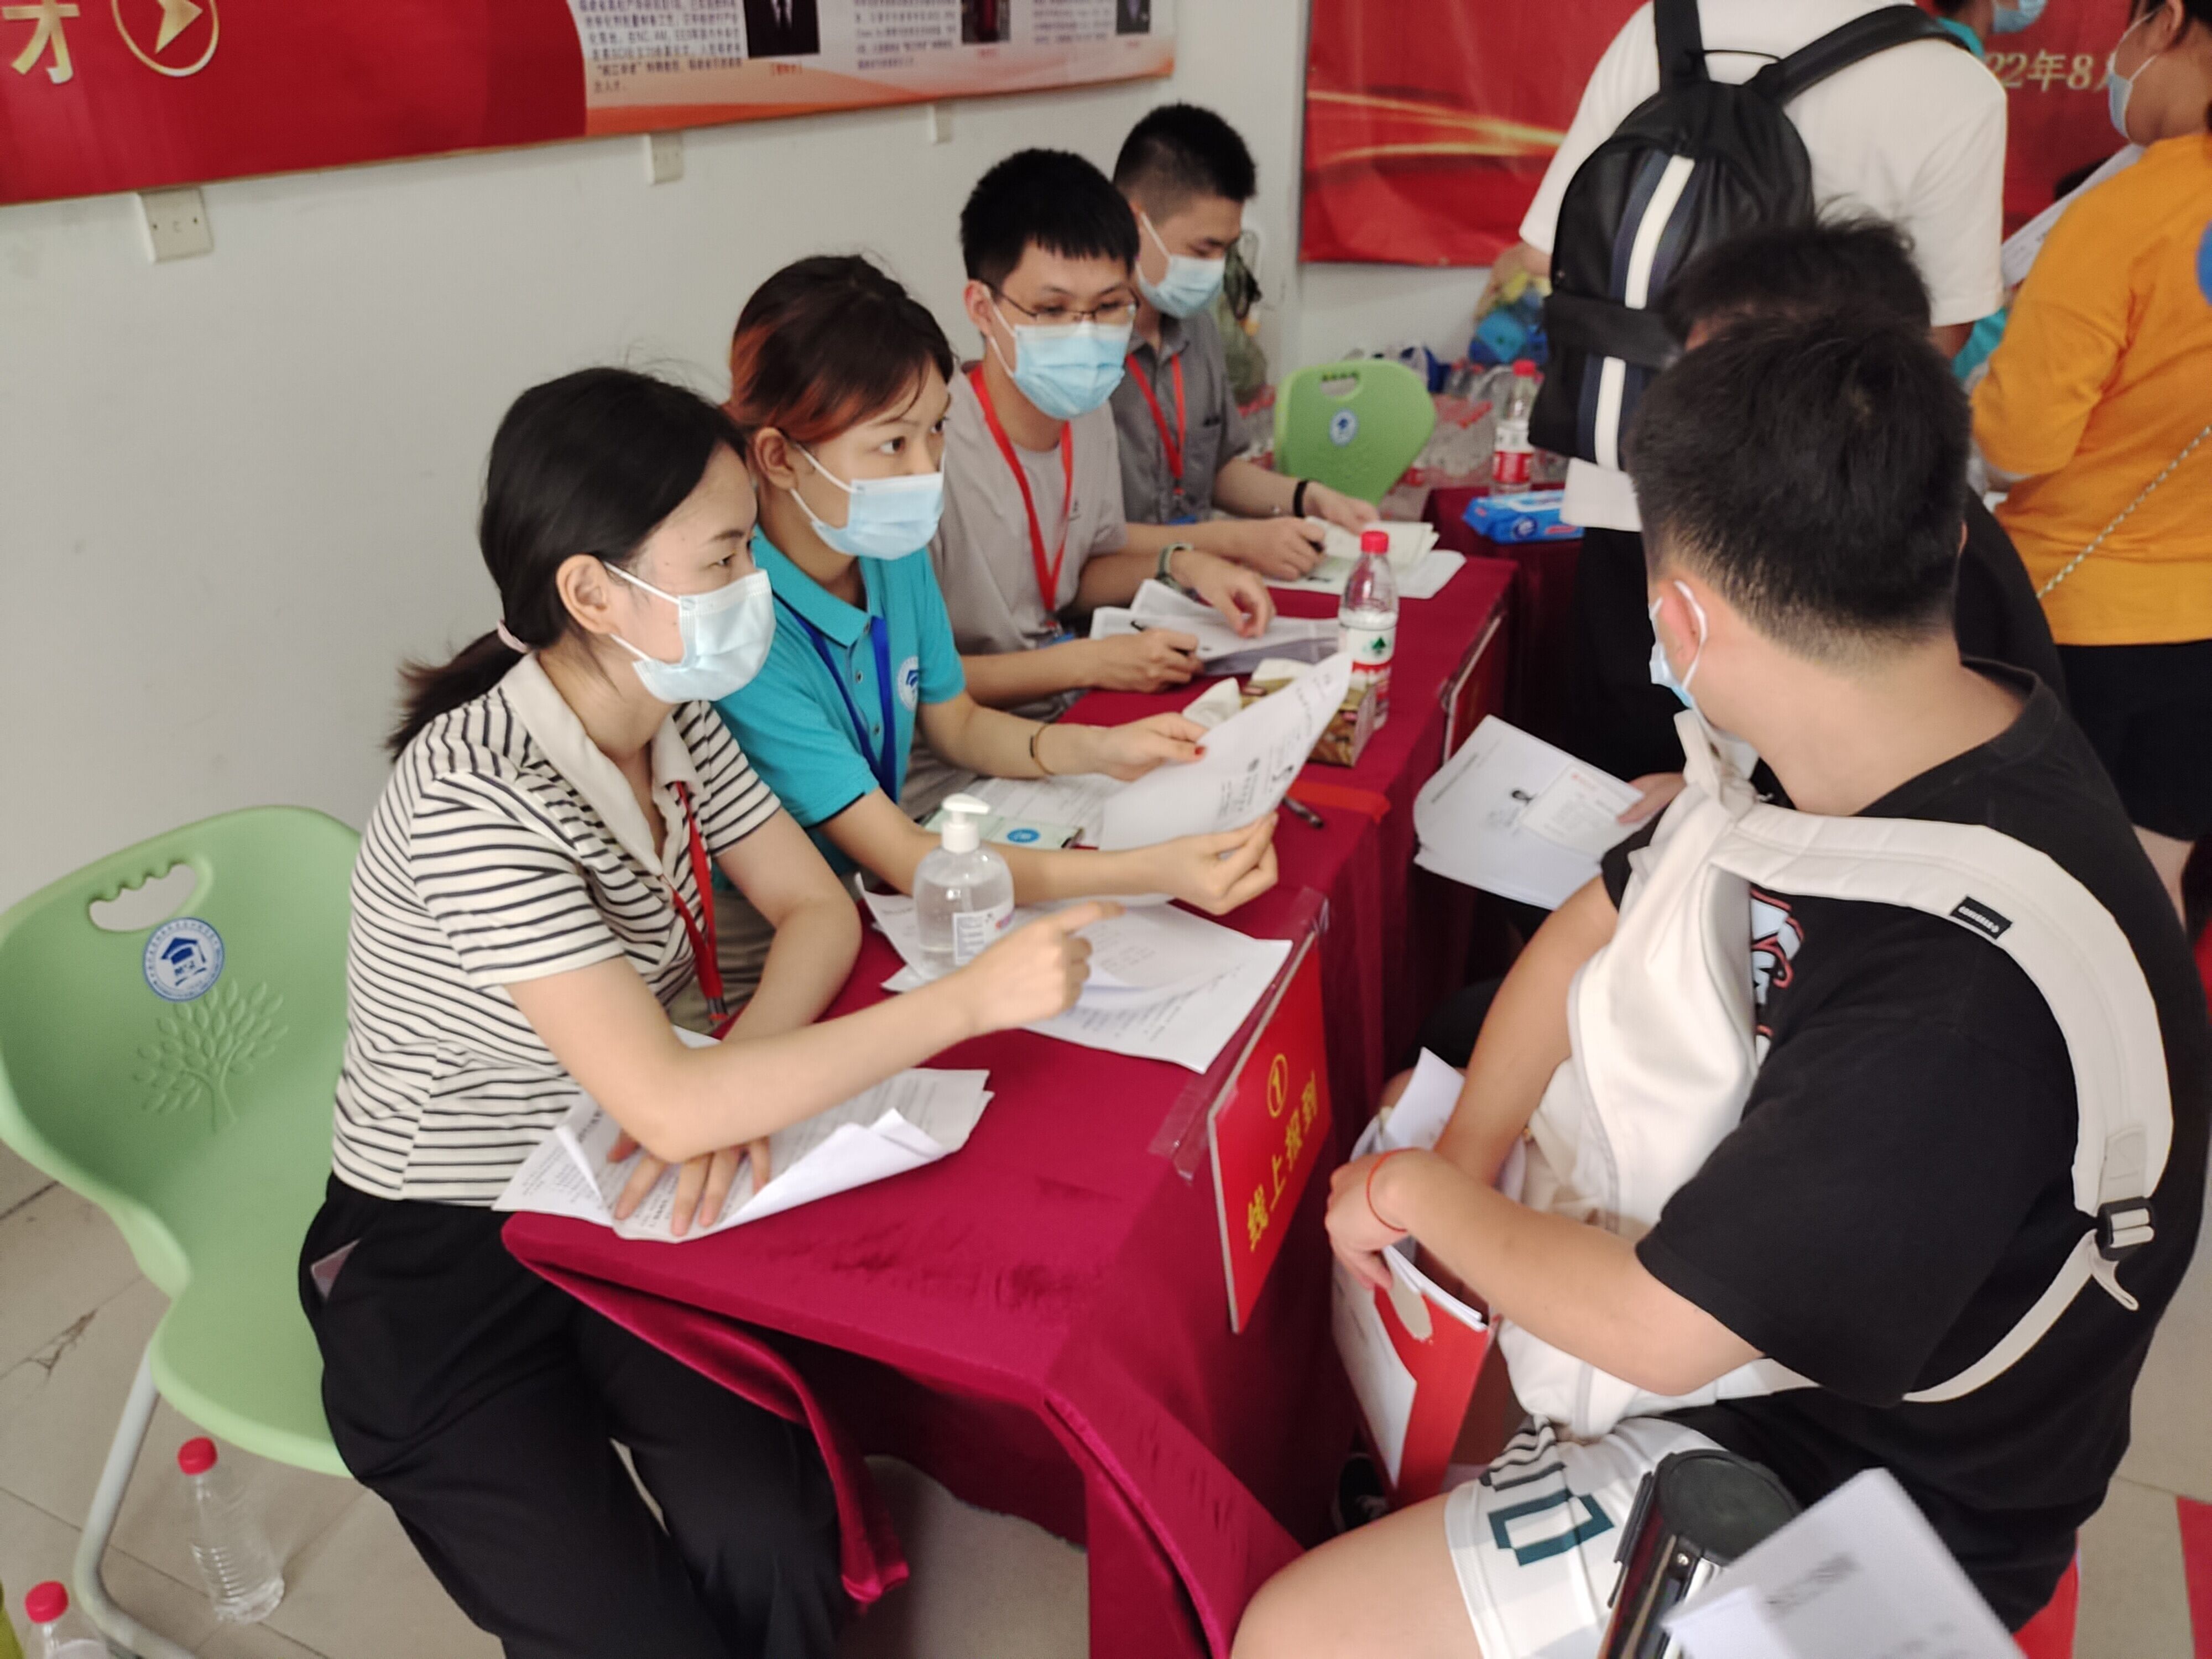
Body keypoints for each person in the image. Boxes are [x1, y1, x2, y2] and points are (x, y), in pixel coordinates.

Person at [1233, 316, 2210, 1656]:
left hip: (1858, 1495)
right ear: (1947, 539)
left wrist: (1418, 1192)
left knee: (1293, 1633)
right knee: (1453, 1205)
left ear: (1680, 617)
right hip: (1799, 1337)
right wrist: (1456, 1160)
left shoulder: (1951, 1002)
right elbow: (1605, 912)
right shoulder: (1902, 738)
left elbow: (1657, 1329)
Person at [301, 367, 1109, 1659]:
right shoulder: (471, 799)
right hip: (438, 1240)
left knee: (778, 1530)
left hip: (617, 1175)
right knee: (629, 1628)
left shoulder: (673, 715)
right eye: (727, 554)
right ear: (591, 591)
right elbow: (677, 1104)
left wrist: (731, 1087)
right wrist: (965, 1002)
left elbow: (815, 910)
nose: (755, 583)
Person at [702, 255, 1277, 989]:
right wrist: (1145, 872)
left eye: (937, 429)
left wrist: (1101, 749)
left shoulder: (885, 546)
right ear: (780, 458)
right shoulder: (744, 624)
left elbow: (958, 725)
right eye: (893, 443)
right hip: (770, 947)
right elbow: (905, 856)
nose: (926, 467)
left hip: (875, 903)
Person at [1481, 0, 2006, 787]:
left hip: (1636, 491)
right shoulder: (1951, 84)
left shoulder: (1660, 25)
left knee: (1621, 791)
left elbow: (1547, 251)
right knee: (1791, 794)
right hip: (1817, 523)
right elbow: (1941, 336)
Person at [1566, 215, 2069, 812]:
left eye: (1728, 377)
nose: (1692, 404)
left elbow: (1900, 776)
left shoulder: (1912, 549)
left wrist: (1738, 808)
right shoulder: (1835, 507)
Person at [1974, 0, 2212, 925]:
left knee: (2032, 891)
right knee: (2154, 875)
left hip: (2077, 617)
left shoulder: (2126, 213)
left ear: (2167, 24)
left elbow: (2018, 442)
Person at [932, 148, 1275, 721]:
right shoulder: (930, 448)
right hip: (974, 740)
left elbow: (1079, 573)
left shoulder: (1086, 411)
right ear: (983, 308)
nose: (1086, 335)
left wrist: (1185, 564)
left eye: (1111, 306)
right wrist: (1089, 663)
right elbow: (916, 680)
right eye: (1052, 310)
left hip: (1072, 708)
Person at [1109, 103, 1379, 580]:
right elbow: (1084, 536)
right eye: (1203, 249)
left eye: (1227, 250)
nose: (1216, 269)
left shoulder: (1197, 325)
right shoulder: (1079, 351)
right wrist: (1236, 540)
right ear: (1134, 223)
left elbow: (1214, 472)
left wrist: (1307, 498)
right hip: (1116, 598)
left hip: (1200, 588)